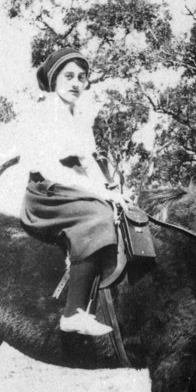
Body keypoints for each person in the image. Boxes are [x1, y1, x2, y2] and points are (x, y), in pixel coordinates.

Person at [17, 48, 119, 336]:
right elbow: (49, 167)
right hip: (47, 191)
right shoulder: (44, 111)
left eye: (81, 77)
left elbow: (88, 162)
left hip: (71, 186)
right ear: (54, 79)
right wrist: (95, 194)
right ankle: (73, 313)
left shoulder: (80, 116)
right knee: (97, 217)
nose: (76, 83)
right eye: (69, 76)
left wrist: (112, 193)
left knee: (119, 212)